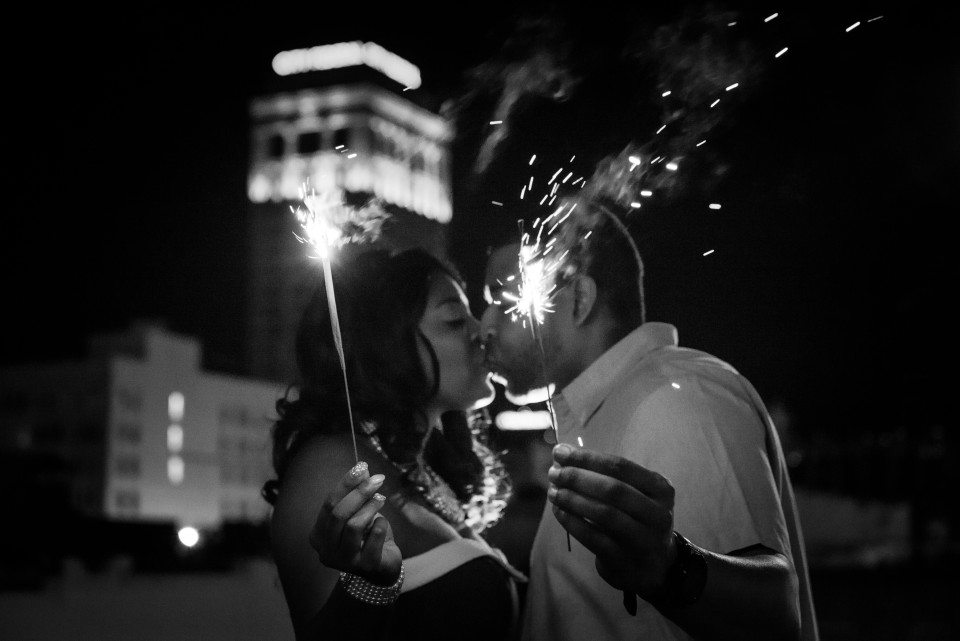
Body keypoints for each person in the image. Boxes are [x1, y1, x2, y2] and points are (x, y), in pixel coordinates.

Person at [480, 195, 818, 640]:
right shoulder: (606, 411)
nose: (483, 326)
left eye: (504, 300)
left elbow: (774, 615)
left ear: (579, 299)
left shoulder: (678, 398)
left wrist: (670, 567)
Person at [265, 248, 522, 641]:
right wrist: (367, 588)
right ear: (384, 342)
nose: (482, 330)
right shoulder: (334, 467)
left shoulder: (423, 470)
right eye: (455, 319)